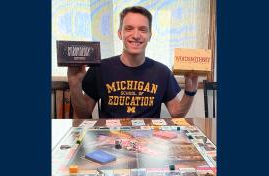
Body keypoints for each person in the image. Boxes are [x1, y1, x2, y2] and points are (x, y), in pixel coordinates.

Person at [68, 6, 198, 119]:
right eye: (129, 28)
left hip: (149, 142)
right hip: (109, 141)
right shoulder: (99, 68)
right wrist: (74, 84)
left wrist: (190, 91)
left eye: (142, 29)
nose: (136, 35)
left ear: (150, 35)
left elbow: (177, 114)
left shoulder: (162, 72)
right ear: (120, 33)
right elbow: (83, 115)